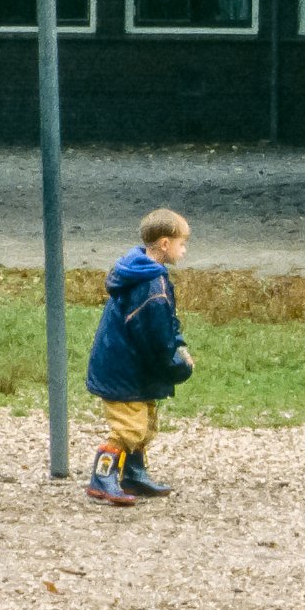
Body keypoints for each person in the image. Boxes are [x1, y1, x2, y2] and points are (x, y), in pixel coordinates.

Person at [83, 208, 195, 505]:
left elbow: (166, 323)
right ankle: (101, 476)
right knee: (128, 427)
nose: (184, 250)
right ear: (165, 244)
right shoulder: (151, 284)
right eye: (182, 243)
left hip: (131, 367)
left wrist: (178, 345)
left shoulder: (144, 274)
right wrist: (174, 363)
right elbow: (154, 335)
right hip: (124, 369)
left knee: (145, 422)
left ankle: (133, 473)